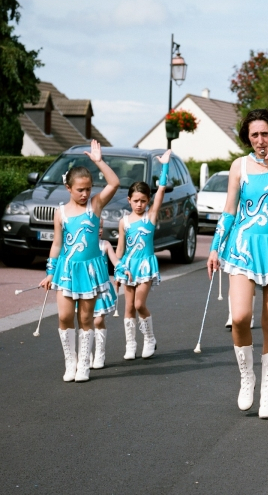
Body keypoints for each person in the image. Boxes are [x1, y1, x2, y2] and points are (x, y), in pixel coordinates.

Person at [207, 109, 268, 419]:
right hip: (243, 247)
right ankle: (247, 376)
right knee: (240, 318)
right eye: (254, 135)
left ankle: (267, 393)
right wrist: (214, 248)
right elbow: (229, 210)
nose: (261, 140)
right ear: (247, 139)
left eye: (266, 133)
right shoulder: (239, 166)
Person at [39, 140, 120, 382]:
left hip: (89, 270)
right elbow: (56, 244)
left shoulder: (95, 206)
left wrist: (98, 161)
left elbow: (114, 183)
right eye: (80, 190)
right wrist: (50, 272)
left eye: (88, 188)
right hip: (65, 269)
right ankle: (70, 362)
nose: (85, 194)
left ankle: (84, 363)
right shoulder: (60, 212)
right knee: (64, 317)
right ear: (68, 188)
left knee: (85, 318)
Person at [115, 150, 171, 360]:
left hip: (146, 265)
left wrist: (164, 166)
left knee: (139, 304)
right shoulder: (124, 222)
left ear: (148, 201)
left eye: (143, 200)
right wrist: (117, 270)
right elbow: (120, 249)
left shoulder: (151, 216)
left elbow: (162, 190)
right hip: (128, 267)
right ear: (129, 200)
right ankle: (130, 344)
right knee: (128, 306)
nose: (139, 204)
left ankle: (149, 338)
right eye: (136, 200)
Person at [89, 219, 120, 369]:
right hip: (86, 289)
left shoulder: (105, 245)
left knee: (98, 320)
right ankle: (86, 353)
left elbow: (115, 261)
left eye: (101, 227)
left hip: (102, 290)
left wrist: (122, 269)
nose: (100, 230)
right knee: (86, 322)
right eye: (96, 227)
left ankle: (100, 353)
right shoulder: (83, 247)